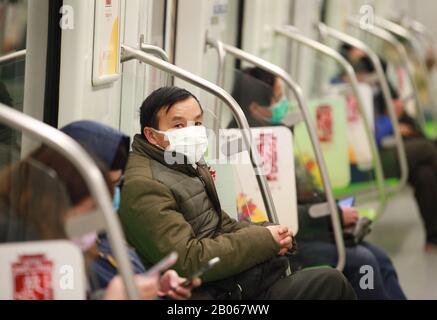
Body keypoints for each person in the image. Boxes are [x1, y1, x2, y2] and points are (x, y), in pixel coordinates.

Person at [118, 85, 356, 300]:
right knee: (331, 283)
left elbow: (219, 222)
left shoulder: (185, 162)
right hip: (208, 293)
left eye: (197, 123)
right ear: (152, 135)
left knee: (329, 280)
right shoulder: (144, 184)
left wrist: (269, 233)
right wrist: (264, 240)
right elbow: (188, 259)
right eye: (179, 125)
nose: (192, 132)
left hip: (228, 283)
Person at [230, 67, 406, 299]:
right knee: (365, 263)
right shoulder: (242, 147)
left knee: (380, 258)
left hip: (309, 228)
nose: (282, 104)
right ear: (255, 106)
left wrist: (333, 210)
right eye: (277, 98)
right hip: (286, 241)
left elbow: (300, 193)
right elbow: (272, 214)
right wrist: (330, 215)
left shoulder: (276, 135)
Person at [0, 143, 196, 300]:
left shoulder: (56, 244)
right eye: (89, 214)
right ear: (52, 205)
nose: (93, 228)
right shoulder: (21, 255)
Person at [60, 120, 201, 299]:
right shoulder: (43, 250)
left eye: (118, 184)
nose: (113, 195)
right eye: (105, 186)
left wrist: (156, 286)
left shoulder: (99, 233)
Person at [339, 45, 437, 251]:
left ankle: (433, 239)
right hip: (365, 160)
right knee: (428, 150)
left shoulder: (376, 87)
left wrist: (397, 121)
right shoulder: (342, 94)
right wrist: (390, 120)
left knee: (425, 173)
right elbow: (364, 136)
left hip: (387, 148)